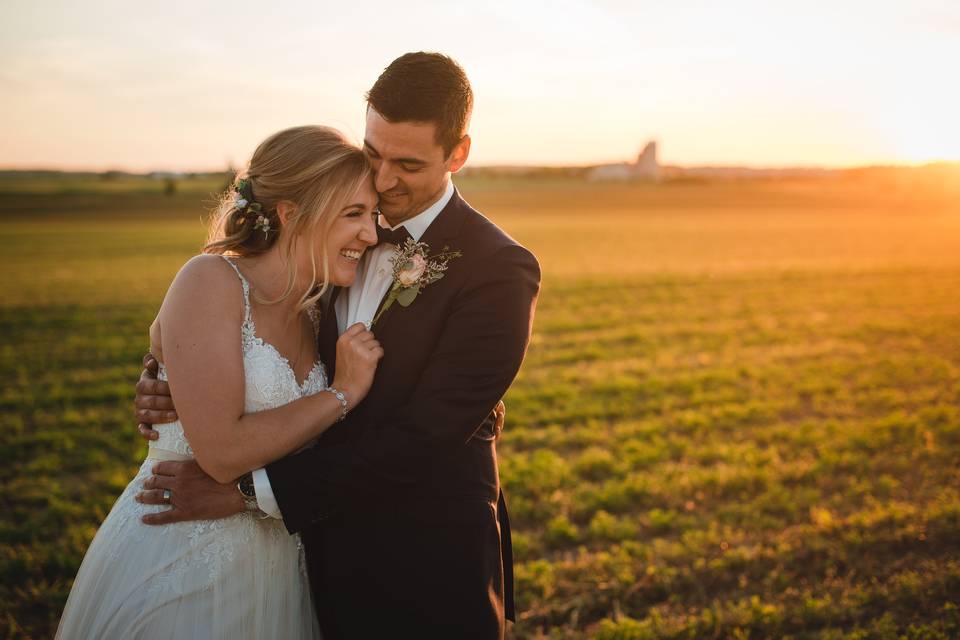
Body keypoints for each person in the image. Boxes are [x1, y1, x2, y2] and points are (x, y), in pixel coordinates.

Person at [134, 52, 541, 639]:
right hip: (313, 556)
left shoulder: (498, 269)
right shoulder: (335, 232)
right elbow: (255, 315)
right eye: (373, 154)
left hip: (425, 562)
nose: (382, 180)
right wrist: (169, 376)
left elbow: (427, 435)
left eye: (408, 164)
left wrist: (250, 493)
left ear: (458, 154)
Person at [56, 125, 384, 639]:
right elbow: (224, 452)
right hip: (181, 558)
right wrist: (341, 394)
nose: (371, 234)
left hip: (280, 562)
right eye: (353, 214)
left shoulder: (321, 309)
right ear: (291, 214)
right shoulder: (211, 279)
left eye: (372, 214)